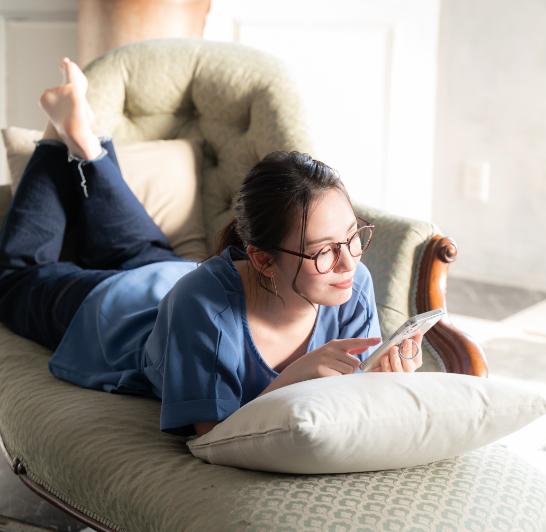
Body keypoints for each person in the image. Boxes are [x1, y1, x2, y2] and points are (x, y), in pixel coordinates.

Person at [0, 57, 425, 438]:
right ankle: (58, 137)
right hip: (118, 308)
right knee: (16, 278)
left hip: (175, 270)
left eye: (353, 237)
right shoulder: (202, 307)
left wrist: (385, 377)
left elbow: (351, 402)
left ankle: (85, 141)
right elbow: (212, 436)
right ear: (261, 257)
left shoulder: (352, 284)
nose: (349, 261)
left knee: (142, 247)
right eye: (324, 250)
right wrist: (295, 376)